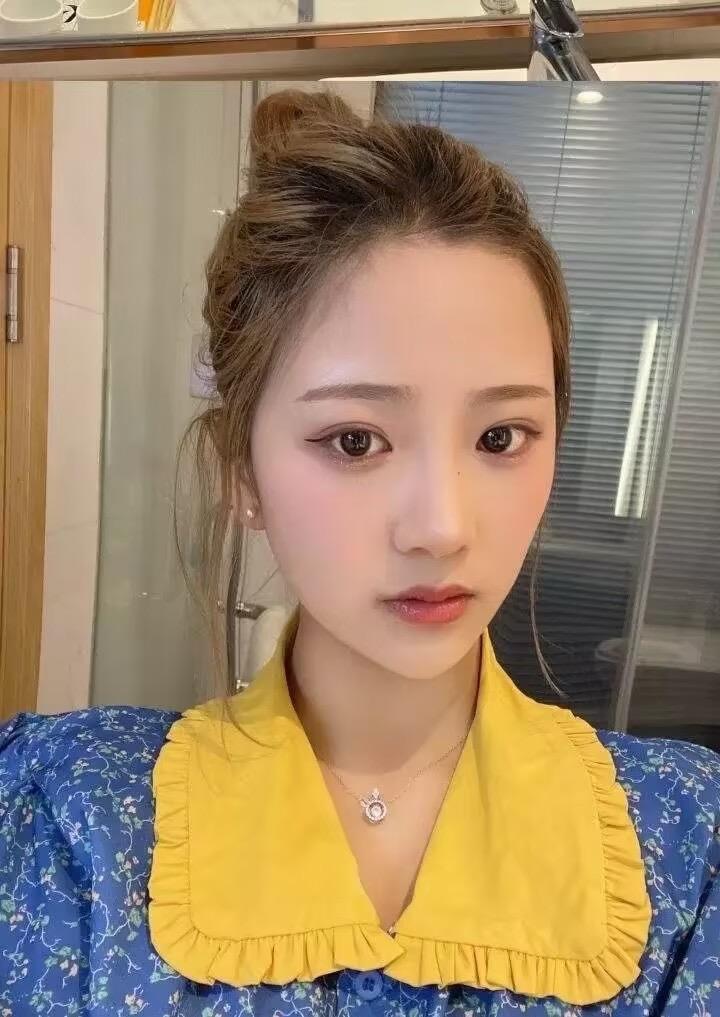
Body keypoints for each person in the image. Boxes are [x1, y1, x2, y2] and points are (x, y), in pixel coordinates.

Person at [0, 88, 718, 1017]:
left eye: (501, 437)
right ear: (241, 471)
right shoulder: (62, 812)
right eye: (355, 440)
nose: (442, 526)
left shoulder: (686, 840)